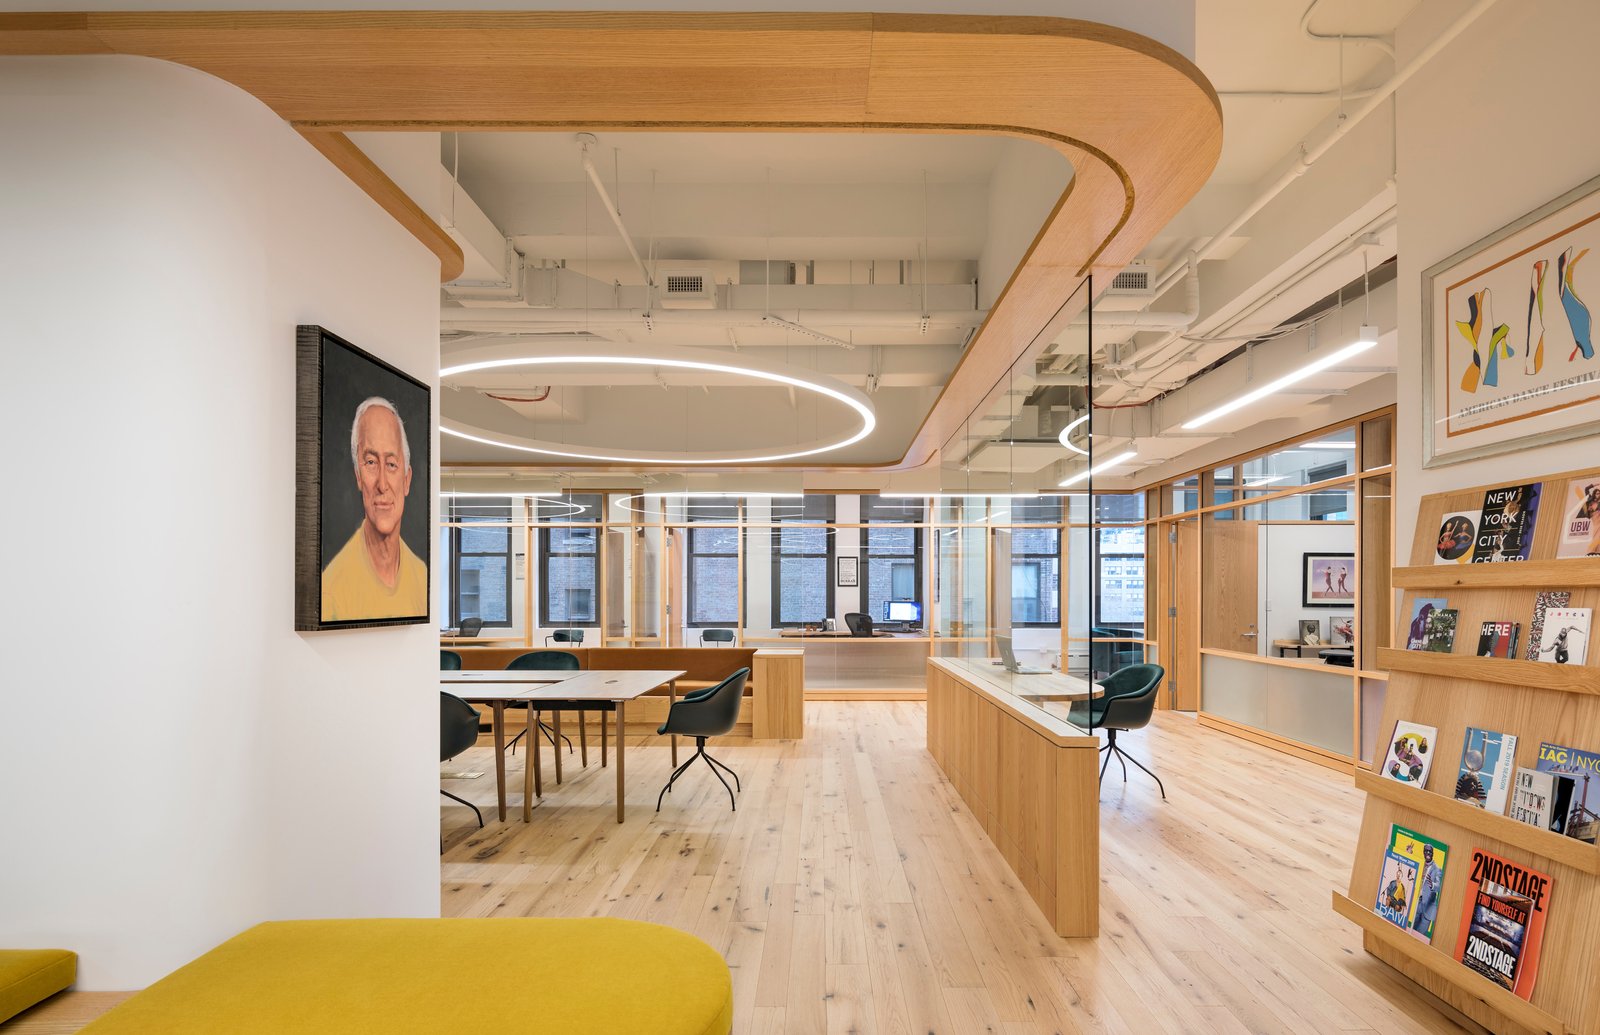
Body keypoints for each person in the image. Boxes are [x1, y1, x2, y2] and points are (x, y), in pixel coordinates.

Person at [321, 397, 427, 621]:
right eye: (370, 462)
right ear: (358, 477)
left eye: (391, 464)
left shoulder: (422, 577)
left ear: (406, 480)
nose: (381, 484)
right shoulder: (331, 593)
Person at [1412, 843, 1442, 936]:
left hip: (1428, 907)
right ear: (1423, 852)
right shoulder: (1420, 863)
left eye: (1430, 851)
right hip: (1417, 904)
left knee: (1419, 936)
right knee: (1410, 931)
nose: (1428, 853)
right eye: (1426, 851)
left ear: (1433, 853)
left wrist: (1432, 884)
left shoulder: (1437, 869)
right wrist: (1408, 852)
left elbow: (1438, 886)